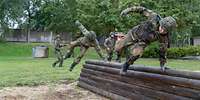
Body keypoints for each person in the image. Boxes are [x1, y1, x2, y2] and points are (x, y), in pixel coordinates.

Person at [116, 6, 176, 75]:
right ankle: (118, 54)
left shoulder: (164, 37)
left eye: (165, 30)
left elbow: (163, 50)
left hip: (143, 42)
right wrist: (128, 10)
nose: (162, 30)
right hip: (133, 34)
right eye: (162, 27)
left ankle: (126, 65)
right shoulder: (154, 17)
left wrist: (162, 64)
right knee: (118, 47)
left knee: (137, 54)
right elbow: (141, 9)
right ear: (161, 23)